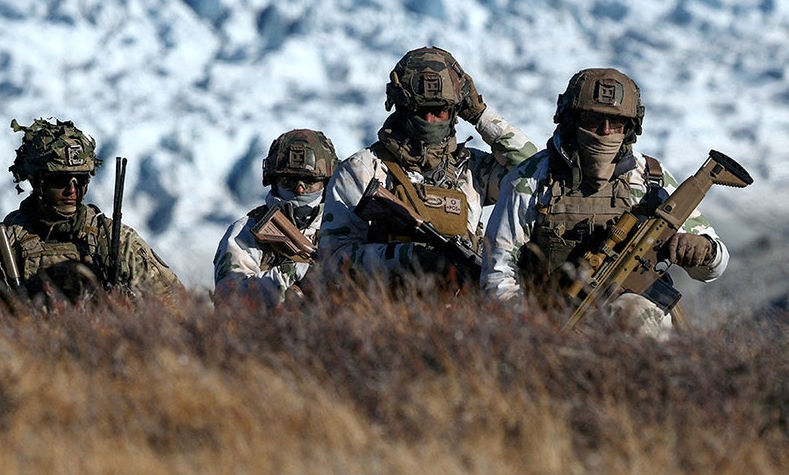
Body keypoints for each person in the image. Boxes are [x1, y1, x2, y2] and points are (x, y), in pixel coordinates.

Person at [482, 68, 729, 337]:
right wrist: (528, 331)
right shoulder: (532, 179)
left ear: (631, 128)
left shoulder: (649, 180)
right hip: (552, 323)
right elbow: (499, 272)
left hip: (636, 329)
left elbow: (714, 267)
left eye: (617, 123)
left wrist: (704, 250)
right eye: (592, 120)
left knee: (636, 312)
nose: (605, 131)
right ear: (570, 120)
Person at [318, 46, 538, 290]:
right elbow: (332, 261)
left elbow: (532, 170)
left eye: (440, 111)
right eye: (420, 111)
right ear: (401, 107)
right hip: (384, 314)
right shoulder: (362, 170)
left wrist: (480, 115)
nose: (430, 120)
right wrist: (405, 257)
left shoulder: (473, 170)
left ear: (456, 111)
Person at [0, 118, 183, 305]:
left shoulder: (114, 240)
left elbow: (176, 303)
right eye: (60, 181)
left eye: (81, 180)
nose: (72, 190)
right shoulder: (2, 245)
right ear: (36, 181)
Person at [213, 128, 338, 306]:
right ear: (272, 179)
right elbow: (228, 300)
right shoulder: (246, 232)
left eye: (310, 181)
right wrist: (293, 272)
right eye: (289, 180)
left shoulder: (344, 226)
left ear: (327, 181)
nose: (300, 189)